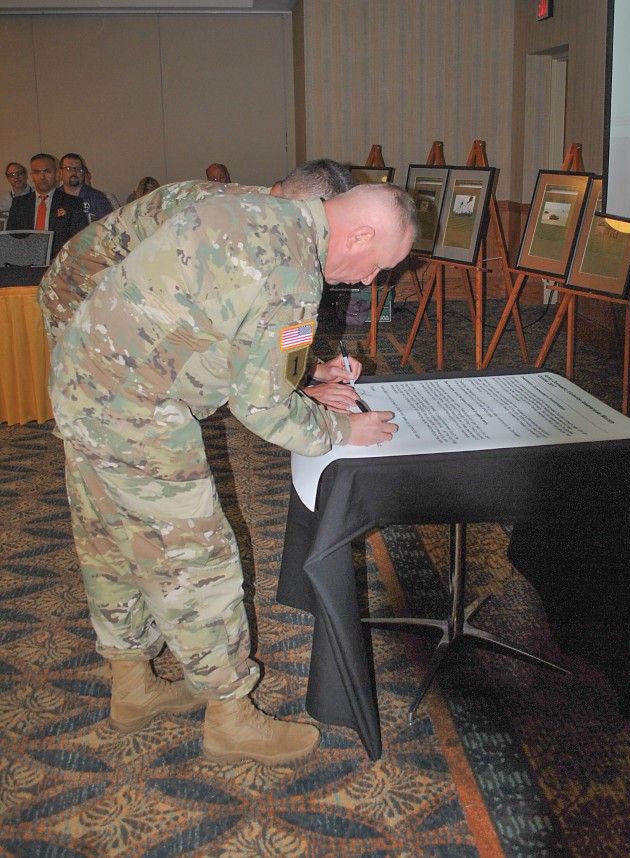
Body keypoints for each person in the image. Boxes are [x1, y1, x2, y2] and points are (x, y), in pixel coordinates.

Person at [48, 182, 417, 765]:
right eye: (379, 266)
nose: (370, 280)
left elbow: (231, 330)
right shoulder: (296, 273)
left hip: (84, 379)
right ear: (361, 235)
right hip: (137, 407)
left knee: (113, 541)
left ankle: (132, 685)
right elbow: (263, 409)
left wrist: (303, 375)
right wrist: (344, 431)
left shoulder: (255, 210)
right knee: (199, 559)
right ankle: (230, 717)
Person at [40, 159, 360, 412]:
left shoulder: (270, 220)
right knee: (110, 414)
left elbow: (265, 333)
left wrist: (312, 370)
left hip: (139, 300)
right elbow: (244, 343)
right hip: (81, 288)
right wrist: (302, 389)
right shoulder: (233, 227)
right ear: (279, 193)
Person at [6, 153, 88, 258]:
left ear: (58, 174)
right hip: (25, 263)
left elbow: (80, 240)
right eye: (37, 172)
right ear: (31, 176)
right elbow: (10, 240)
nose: (42, 177)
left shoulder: (72, 203)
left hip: (59, 263)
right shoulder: (19, 204)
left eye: (47, 171)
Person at [59, 153, 114, 222]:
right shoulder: (54, 198)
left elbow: (109, 226)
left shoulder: (97, 197)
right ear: (60, 173)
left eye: (78, 169)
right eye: (69, 169)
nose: (74, 172)